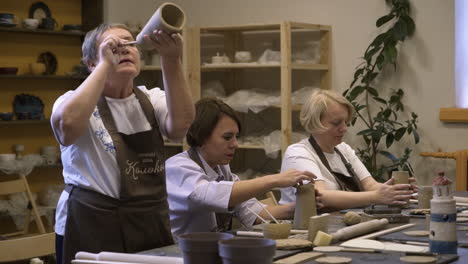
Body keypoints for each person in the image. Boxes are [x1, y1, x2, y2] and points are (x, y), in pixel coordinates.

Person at [50, 24, 194, 264]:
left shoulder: (152, 99)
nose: (124, 49)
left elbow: (180, 128)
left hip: (149, 221)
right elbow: (67, 129)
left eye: (129, 43)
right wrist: (106, 65)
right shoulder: (70, 101)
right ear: (91, 63)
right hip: (91, 222)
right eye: (113, 46)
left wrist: (171, 59)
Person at [165, 98, 319, 239]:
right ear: (201, 136)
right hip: (179, 256)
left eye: (236, 137)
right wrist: (275, 179)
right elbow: (212, 195)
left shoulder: (221, 168)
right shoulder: (178, 167)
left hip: (210, 250)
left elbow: (252, 211)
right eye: (227, 137)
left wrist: (303, 206)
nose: (235, 144)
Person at [279, 89, 416, 211]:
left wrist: (395, 191)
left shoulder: (343, 149)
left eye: (345, 122)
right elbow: (320, 196)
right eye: (336, 123)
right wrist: (376, 197)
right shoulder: (298, 153)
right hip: (306, 228)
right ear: (315, 122)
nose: (344, 128)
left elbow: (370, 185)